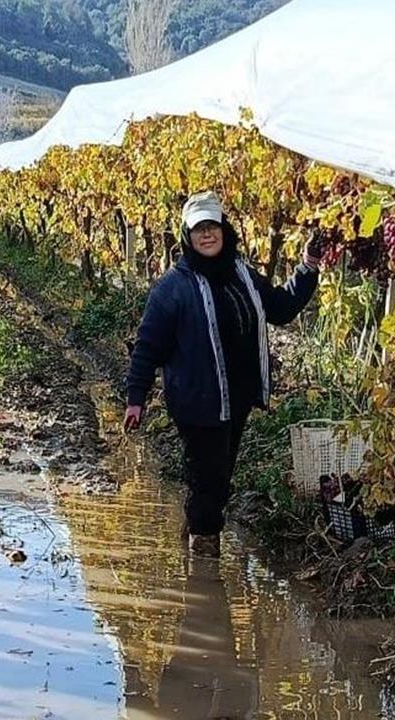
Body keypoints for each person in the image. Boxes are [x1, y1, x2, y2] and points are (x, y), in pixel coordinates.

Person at [124, 191, 324, 557]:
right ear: (188, 236)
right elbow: (148, 347)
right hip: (197, 402)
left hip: (237, 396)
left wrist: (308, 267)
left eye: (211, 226)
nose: (206, 235)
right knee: (211, 478)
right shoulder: (173, 288)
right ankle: (203, 560)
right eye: (198, 229)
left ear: (223, 229)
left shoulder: (242, 275)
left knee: (216, 475)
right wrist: (135, 399)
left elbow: (280, 309)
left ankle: (195, 528)